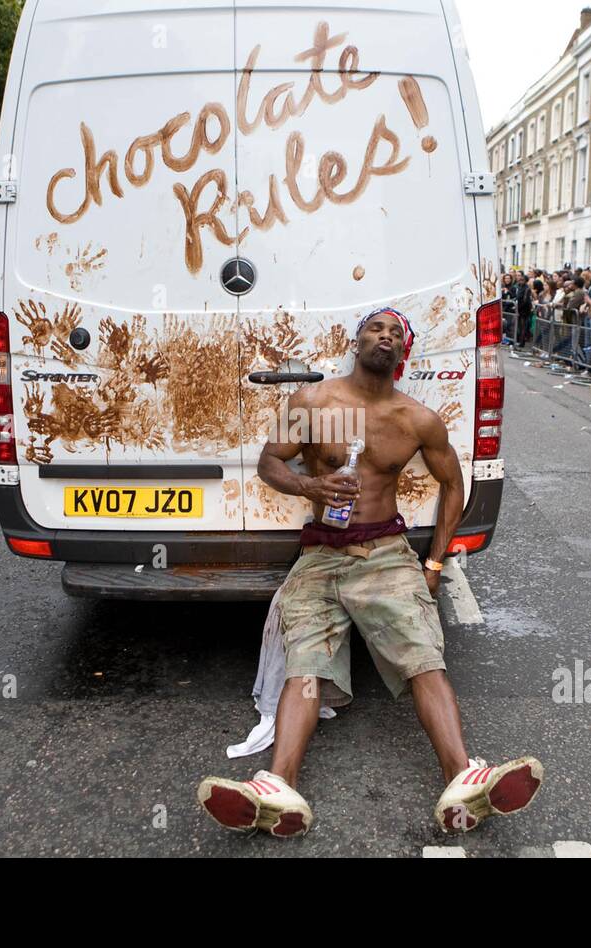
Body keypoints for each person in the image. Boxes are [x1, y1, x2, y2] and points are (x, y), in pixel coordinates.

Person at [197, 308, 543, 838]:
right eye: (375, 328)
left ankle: (464, 777)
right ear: (354, 340)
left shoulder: (417, 419)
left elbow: (456, 487)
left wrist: (434, 561)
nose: (385, 337)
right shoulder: (312, 401)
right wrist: (309, 488)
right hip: (320, 555)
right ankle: (278, 786)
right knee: (305, 662)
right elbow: (270, 462)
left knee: (422, 653)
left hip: (386, 552)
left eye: (395, 333)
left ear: (404, 351)